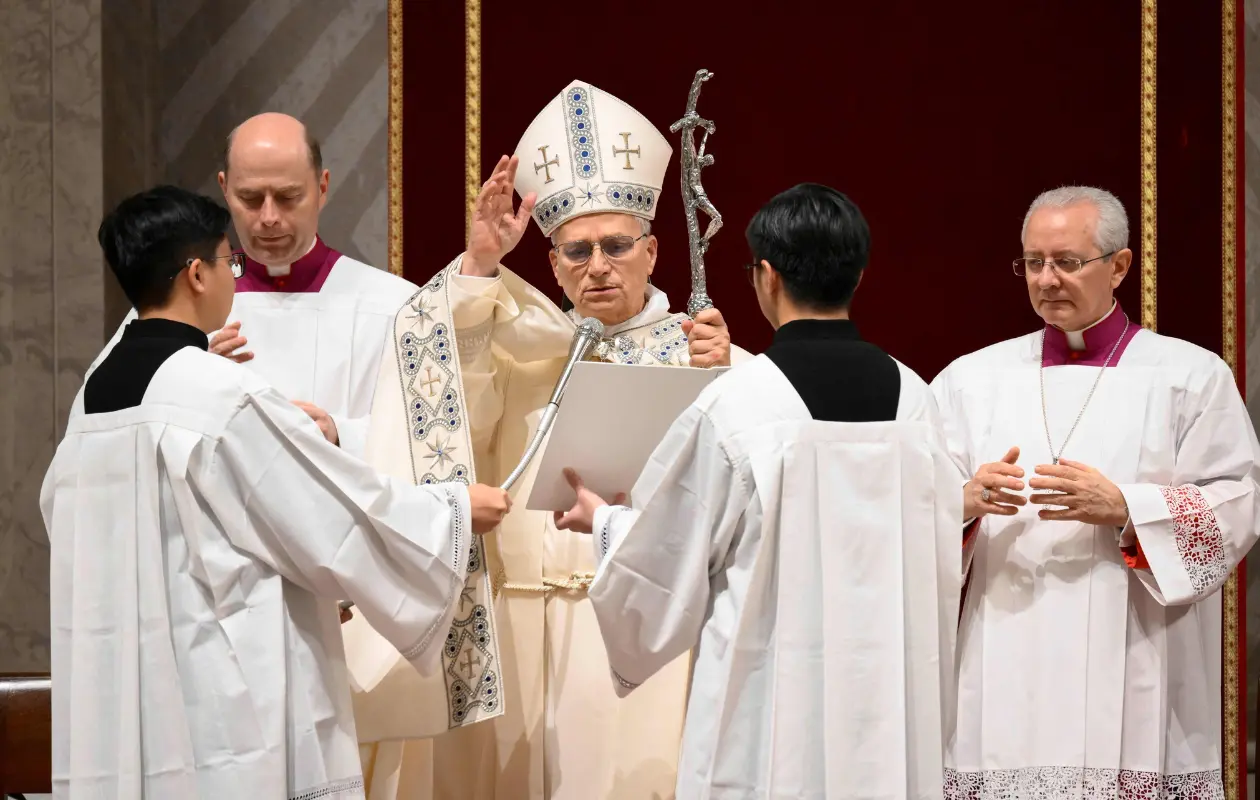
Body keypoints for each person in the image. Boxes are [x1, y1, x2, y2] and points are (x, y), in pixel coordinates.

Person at [345, 80, 751, 799]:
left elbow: (752, 476)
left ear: (653, 250)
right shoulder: (523, 341)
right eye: (575, 251)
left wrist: (725, 383)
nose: (597, 265)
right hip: (518, 628)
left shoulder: (705, 352)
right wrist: (478, 267)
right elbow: (445, 389)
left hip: (637, 634)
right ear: (553, 262)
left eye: (616, 246)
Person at [42, 185, 512, 798]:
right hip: (219, 692)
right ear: (196, 275)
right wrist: (449, 512)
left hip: (128, 689)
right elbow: (326, 514)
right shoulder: (214, 391)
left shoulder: (94, 393)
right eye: (227, 262)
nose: (234, 277)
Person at [554, 183, 963, 799]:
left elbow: (671, 555)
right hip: (888, 701)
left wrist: (606, 522)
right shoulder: (916, 399)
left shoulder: (740, 402)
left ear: (765, 277)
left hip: (772, 706)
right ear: (858, 275)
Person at [931, 185, 1260, 796]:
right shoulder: (969, 382)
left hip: (1135, 651)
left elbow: (1238, 501)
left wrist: (1130, 510)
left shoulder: (1187, 376)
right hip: (1006, 656)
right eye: (1033, 263)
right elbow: (909, 506)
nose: (1047, 280)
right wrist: (965, 504)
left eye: (1067, 262)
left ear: (1120, 266)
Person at [82, 112, 417, 461]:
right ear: (225, 188)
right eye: (251, 198)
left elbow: (432, 439)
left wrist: (340, 432)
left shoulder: (395, 305)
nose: (269, 217)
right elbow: (101, 419)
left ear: (322, 188)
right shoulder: (174, 304)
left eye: (288, 197)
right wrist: (181, 374)